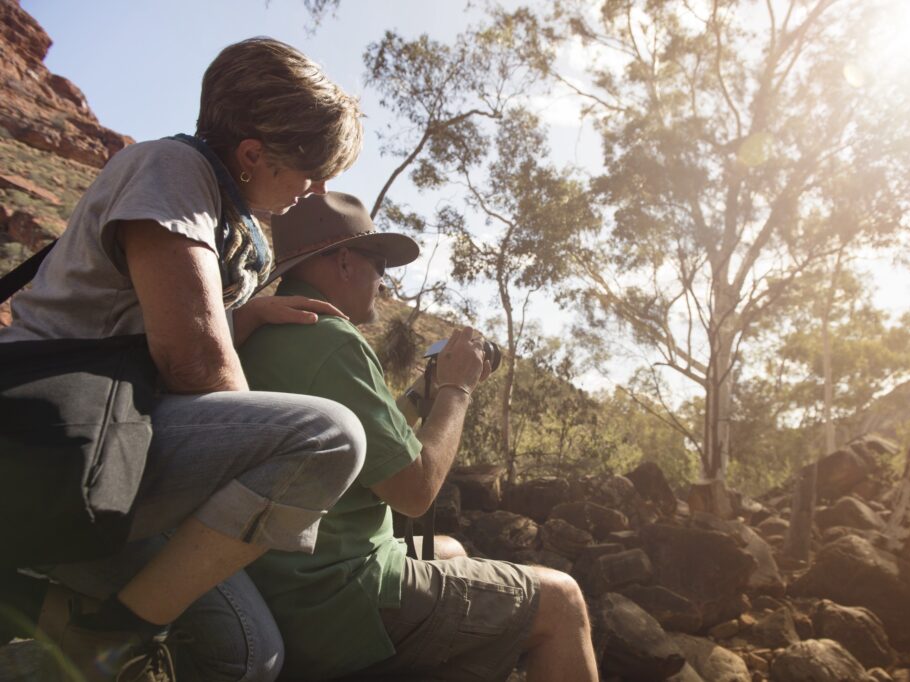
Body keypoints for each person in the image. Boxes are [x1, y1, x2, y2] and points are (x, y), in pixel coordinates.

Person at [0, 38, 367, 682]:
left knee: (248, 654)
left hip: (122, 440)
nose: (316, 189)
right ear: (252, 154)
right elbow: (192, 362)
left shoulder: (225, 210)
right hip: (58, 447)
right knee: (330, 437)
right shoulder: (172, 169)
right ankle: (104, 635)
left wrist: (245, 315)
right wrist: (272, 509)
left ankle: (52, 629)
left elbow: (147, 315)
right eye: (310, 172)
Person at [238, 192, 600, 681]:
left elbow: (367, 443)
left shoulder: (263, 332)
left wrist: (417, 398)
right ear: (344, 261)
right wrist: (457, 388)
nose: (384, 278)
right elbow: (416, 491)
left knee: (449, 549)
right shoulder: (333, 342)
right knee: (562, 600)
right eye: (378, 262)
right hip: (339, 601)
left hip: (283, 579)